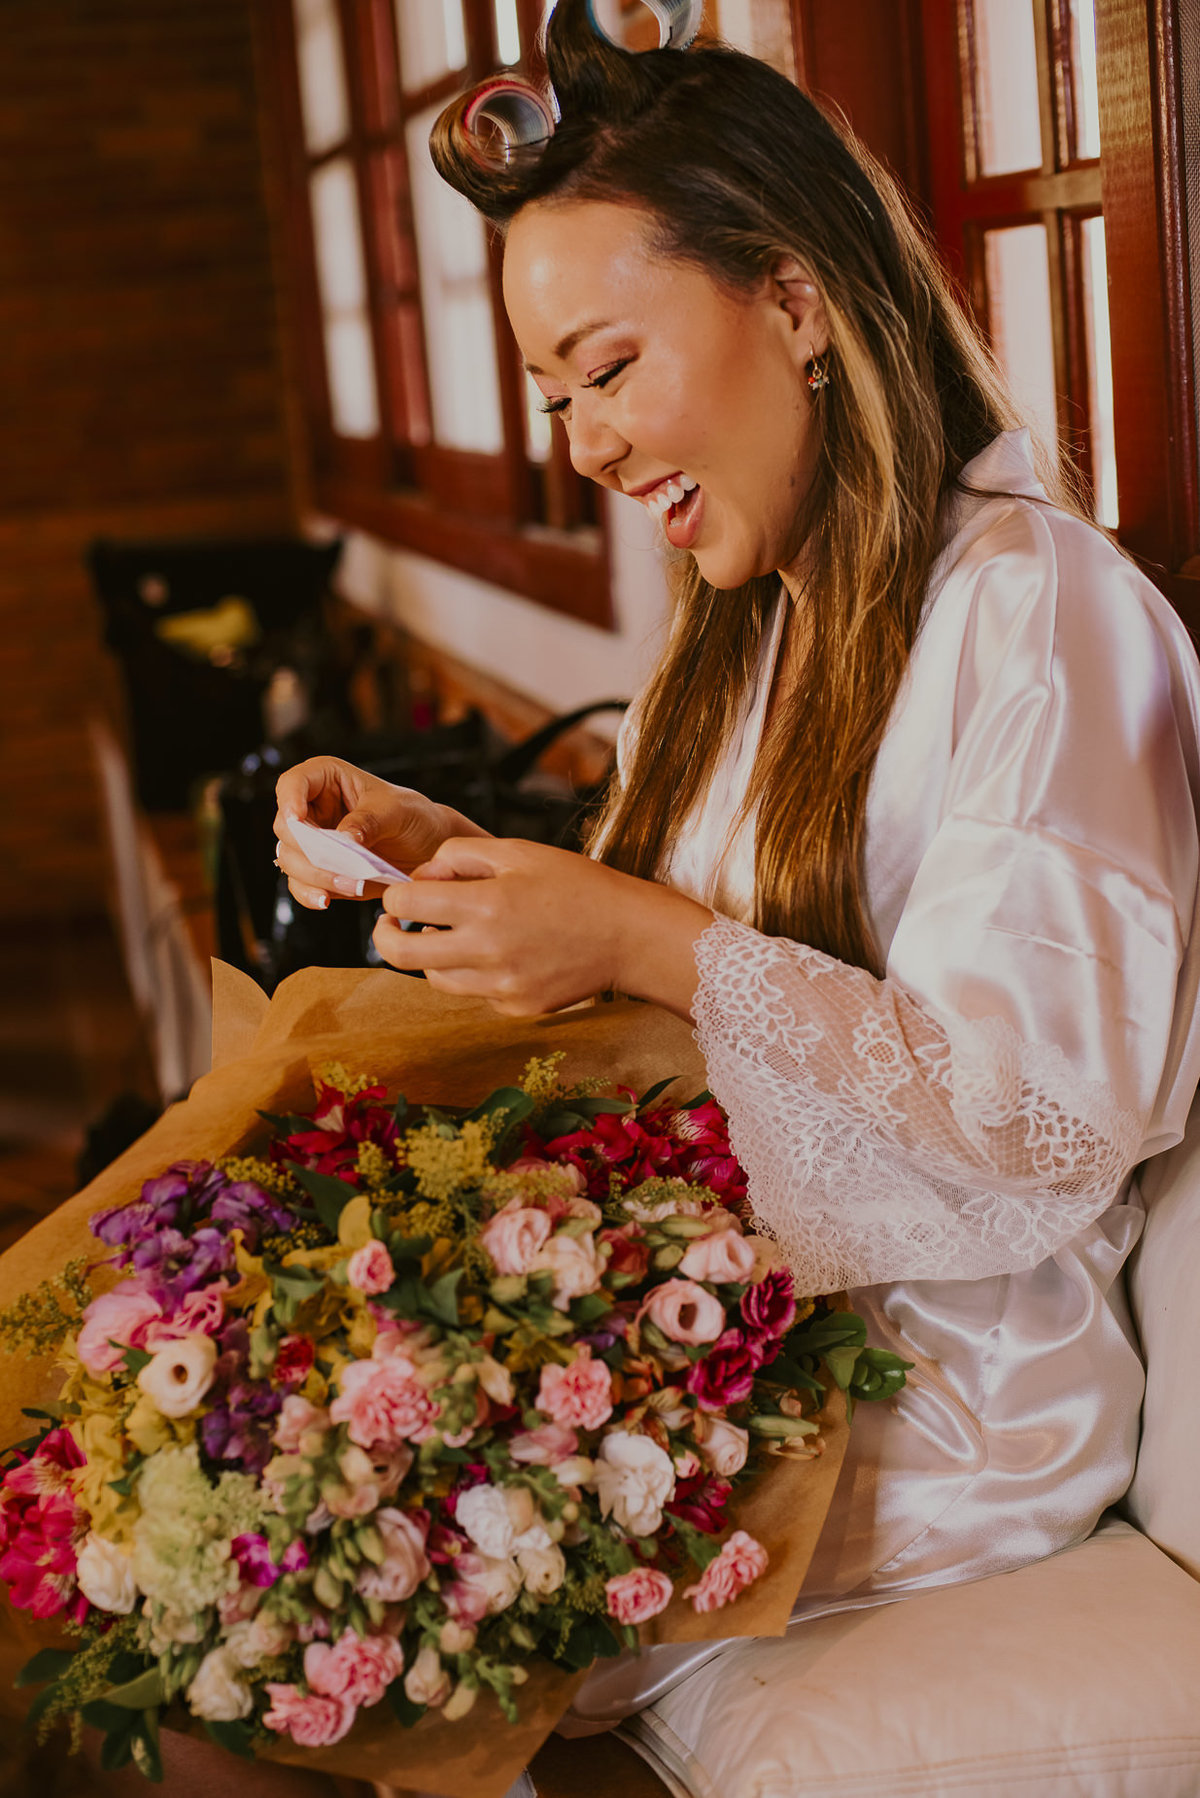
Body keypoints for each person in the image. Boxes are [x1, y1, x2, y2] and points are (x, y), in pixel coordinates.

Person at [272, 0, 1200, 1779]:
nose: (587, 448)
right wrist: (452, 860)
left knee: (294, 1606)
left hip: (934, 1397)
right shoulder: (746, 623)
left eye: (608, 370)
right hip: (719, 1316)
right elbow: (688, 996)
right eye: (556, 398)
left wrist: (635, 934)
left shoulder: (1037, 607)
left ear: (792, 297)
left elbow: (1045, 1121)